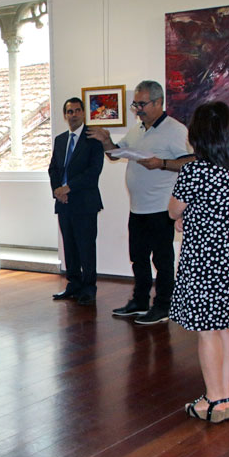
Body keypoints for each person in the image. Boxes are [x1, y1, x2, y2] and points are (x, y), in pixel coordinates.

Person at [169, 102, 229, 422]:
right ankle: (225, 398)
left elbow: (173, 210)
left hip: (207, 264)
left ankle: (212, 400)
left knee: (209, 332)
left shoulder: (194, 171)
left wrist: (184, 217)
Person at [87, 80, 193, 324]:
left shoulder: (175, 130)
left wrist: (161, 163)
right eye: (135, 104)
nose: (138, 109)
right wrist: (106, 142)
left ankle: (164, 305)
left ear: (158, 102)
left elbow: (190, 161)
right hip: (138, 208)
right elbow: (116, 154)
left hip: (161, 207)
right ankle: (140, 301)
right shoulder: (138, 129)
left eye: (142, 104)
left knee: (162, 260)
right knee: (139, 257)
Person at [48, 97, 104, 305]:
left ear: (83, 113)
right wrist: (57, 191)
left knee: (86, 247)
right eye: (70, 111)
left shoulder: (93, 139)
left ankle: (89, 288)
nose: (74, 115)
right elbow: (53, 168)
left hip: (85, 202)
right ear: (65, 115)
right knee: (69, 246)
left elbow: (93, 172)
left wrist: (68, 188)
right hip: (63, 203)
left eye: (78, 110)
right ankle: (73, 284)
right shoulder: (60, 140)